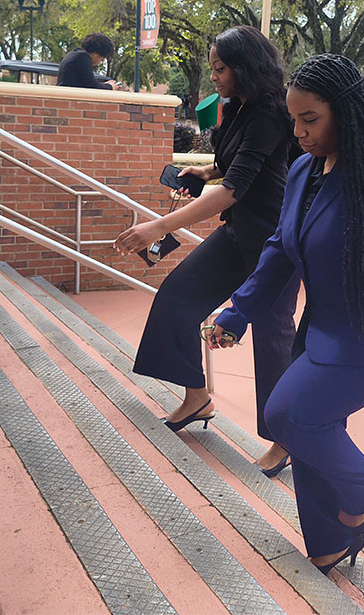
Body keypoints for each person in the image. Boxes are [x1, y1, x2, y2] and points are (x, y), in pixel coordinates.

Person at [206, 53, 364, 576]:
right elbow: (278, 249)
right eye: (293, 120)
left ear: (346, 112)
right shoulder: (304, 170)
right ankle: (329, 541)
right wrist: (238, 310)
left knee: (288, 414)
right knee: (313, 422)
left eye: (309, 120)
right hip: (324, 331)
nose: (298, 133)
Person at [113, 26, 296, 477]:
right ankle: (197, 398)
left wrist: (159, 224)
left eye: (220, 68)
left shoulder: (272, 113)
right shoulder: (237, 109)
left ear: (245, 67)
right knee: (177, 297)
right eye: (212, 67)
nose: (213, 76)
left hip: (275, 242)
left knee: (273, 340)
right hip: (239, 234)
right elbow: (234, 167)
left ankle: (285, 438)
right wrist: (206, 168)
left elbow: (234, 190)